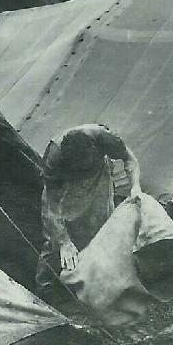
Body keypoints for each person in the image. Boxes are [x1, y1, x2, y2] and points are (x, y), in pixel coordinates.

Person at [36, 123, 143, 303]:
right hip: (66, 183)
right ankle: (46, 291)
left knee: (102, 228)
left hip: (99, 175)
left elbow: (130, 159)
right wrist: (63, 241)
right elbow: (51, 204)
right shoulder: (54, 155)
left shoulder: (105, 138)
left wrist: (136, 187)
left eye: (85, 161)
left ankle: (97, 285)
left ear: (95, 149)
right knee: (54, 239)